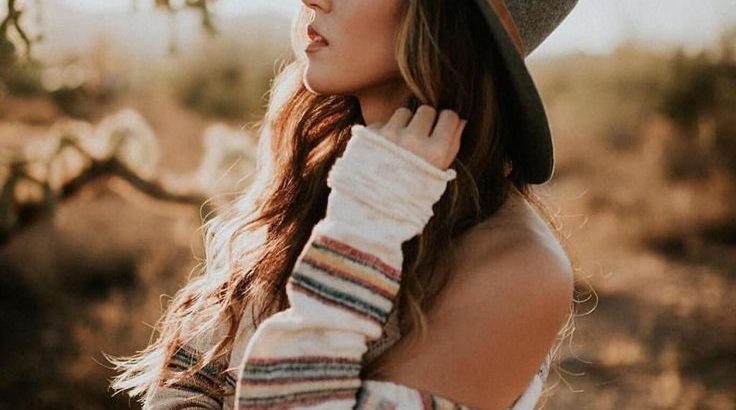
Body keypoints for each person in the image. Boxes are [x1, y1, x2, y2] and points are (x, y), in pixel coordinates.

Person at [106, 0, 580, 409]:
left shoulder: (518, 270)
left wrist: (363, 233)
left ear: (443, 16)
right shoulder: (326, 172)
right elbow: (185, 383)